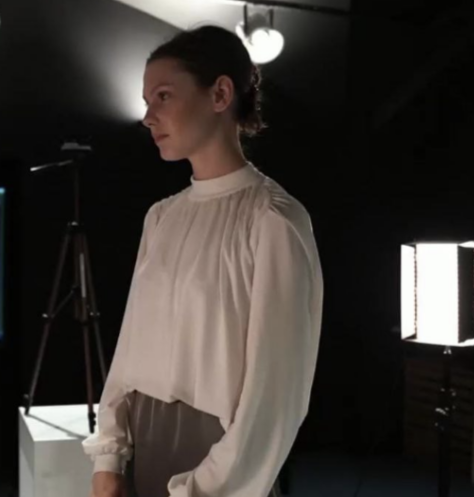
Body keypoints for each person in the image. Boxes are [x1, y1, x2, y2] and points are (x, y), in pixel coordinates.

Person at [82, 25, 323, 497]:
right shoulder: (161, 217)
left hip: (225, 467)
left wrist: (205, 487)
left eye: (163, 96)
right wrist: (109, 455)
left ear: (220, 94)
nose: (148, 117)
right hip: (145, 446)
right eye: (147, 101)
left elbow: (276, 394)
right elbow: (131, 346)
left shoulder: (274, 220)